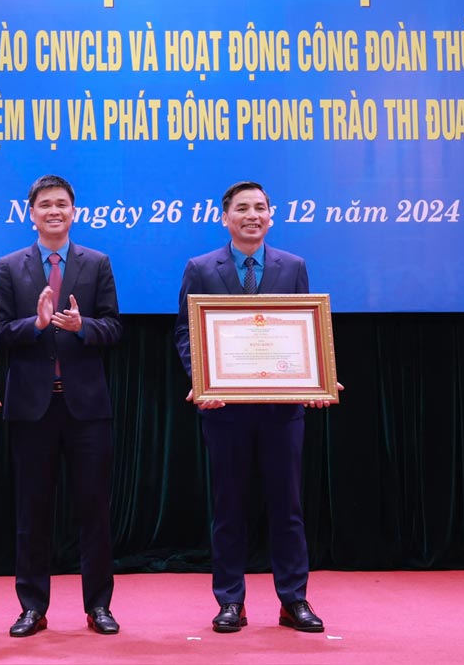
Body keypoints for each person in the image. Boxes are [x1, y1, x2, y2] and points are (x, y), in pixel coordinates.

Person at [174, 181, 342, 634]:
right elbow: (186, 334)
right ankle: (230, 601)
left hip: (282, 411)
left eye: (260, 208)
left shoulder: (294, 267)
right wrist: (201, 379)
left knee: (287, 508)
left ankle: (294, 600)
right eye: (242, 208)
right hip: (225, 409)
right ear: (225, 217)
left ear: (272, 216)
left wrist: (316, 377)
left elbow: (304, 328)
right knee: (229, 507)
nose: (252, 215)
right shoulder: (201, 268)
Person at [0, 175, 123, 637]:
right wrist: (37, 323)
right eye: (45, 204)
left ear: (74, 211)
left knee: (94, 511)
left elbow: (114, 328)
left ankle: (99, 607)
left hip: (87, 409)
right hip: (32, 409)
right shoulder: (10, 266)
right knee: (32, 512)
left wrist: (81, 326)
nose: (54, 211)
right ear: (31, 213)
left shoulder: (97, 263)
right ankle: (32, 606)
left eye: (62, 204)